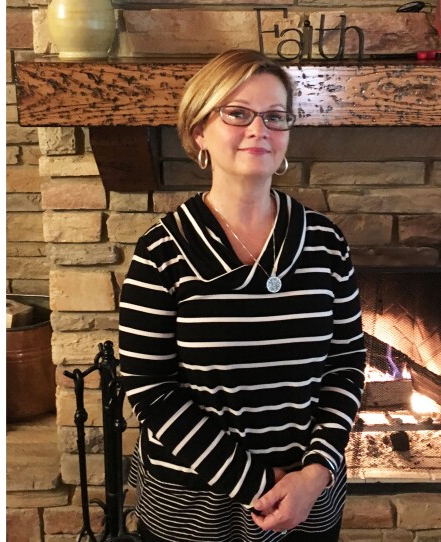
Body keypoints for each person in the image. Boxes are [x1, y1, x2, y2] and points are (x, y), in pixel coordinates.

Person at [118, 49, 365, 542]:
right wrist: (254, 484)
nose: (260, 130)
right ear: (198, 132)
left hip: (307, 499)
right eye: (237, 113)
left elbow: (347, 364)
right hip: (192, 507)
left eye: (275, 117)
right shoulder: (161, 251)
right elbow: (149, 387)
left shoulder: (325, 242)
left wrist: (316, 473)